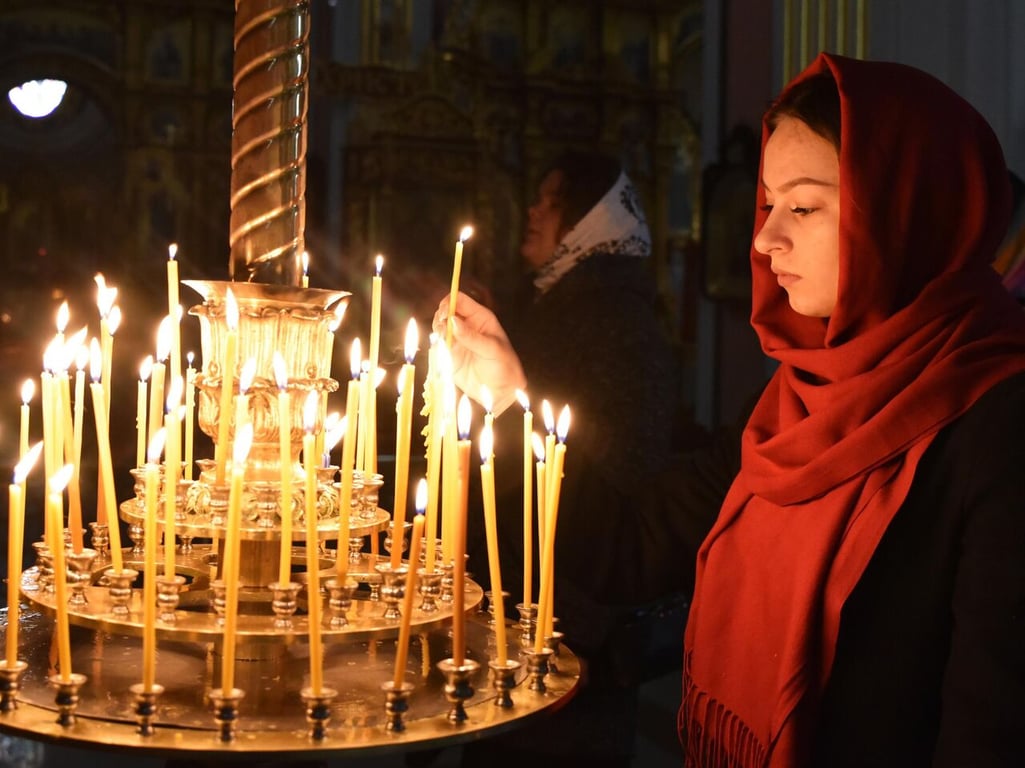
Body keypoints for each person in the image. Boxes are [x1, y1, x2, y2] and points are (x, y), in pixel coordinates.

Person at [439, 52, 1025, 767]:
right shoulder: (792, 399)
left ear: (907, 211)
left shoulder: (997, 424)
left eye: (802, 207)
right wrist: (506, 398)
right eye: (767, 204)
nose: (763, 239)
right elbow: (632, 546)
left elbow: (989, 731)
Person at [435, 151, 687, 766]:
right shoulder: (569, 303)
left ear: (589, 219)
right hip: (538, 602)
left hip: (571, 623)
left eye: (551, 201)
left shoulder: (613, 321)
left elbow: (622, 478)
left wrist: (572, 629)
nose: (533, 210)